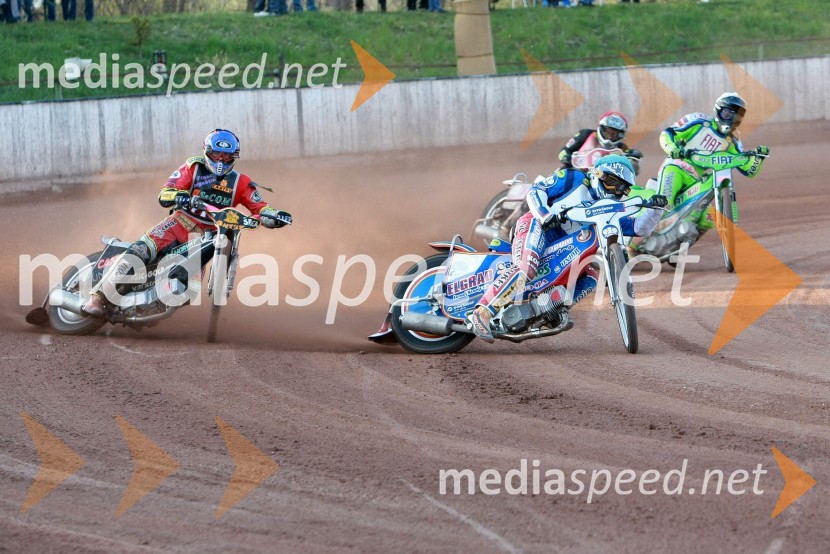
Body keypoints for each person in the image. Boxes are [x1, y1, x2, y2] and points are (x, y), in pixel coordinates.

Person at [82, 130, 293, 317]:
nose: (220, 160)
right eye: (216, 154)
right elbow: (165, 192)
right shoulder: (194, 167)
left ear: (234, 156)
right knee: (141, 251)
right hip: (178, 224)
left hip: (208, 237)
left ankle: (148, 306)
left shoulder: (241, 182)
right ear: (206, 151)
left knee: (188, 290)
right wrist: (180, 196)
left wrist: (273, 216)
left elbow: (260, 206)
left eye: (226, 156)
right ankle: (98, 297)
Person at [467, 155, 667, 343]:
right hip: (537, 226)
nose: (614, 191)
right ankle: (482, 311)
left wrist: (655, 210)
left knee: (590, 277)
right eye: (611, 183)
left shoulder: (610, 211)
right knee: (526, 267)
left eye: (620, 189)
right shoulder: (574, 178)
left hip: (563, 249)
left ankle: (546, 310)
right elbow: (536, 191)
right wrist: (545, 215)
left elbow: (640, 228)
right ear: (598, 174)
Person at [657, 92, 769, 209]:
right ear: (718, 111)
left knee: (707, 220)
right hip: (676, 168)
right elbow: (667, 134)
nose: (731, 119)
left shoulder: (733, 143)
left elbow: (747, 169)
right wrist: (673, 149)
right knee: (665, 203)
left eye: (735, 116)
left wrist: (759, 157)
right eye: (727, 113)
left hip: (698, 181)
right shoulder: (698, 120)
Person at [558, 111, 642, 175]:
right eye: (607, 132)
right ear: (601, 128)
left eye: (614, 134)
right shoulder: (585, 134)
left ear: (620, 135)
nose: (609, 137)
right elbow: (563, 152)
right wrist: (569, 159)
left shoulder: (622, 149)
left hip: (600, 183)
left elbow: (632, 172)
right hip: (572, 174)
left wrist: (633, 161)